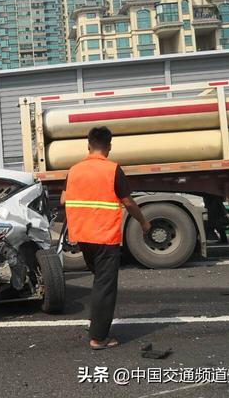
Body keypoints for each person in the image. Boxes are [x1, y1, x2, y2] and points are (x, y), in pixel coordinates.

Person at [61, 127, 151, 350]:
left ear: (88, 145)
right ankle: (99, 338)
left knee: (99, 281)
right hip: (104, 236)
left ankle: (96, 324)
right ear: (109, 147)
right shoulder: (112, 170)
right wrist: (144, 222)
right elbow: (128, 202)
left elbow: (64, 200)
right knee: (105, 285)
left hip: (82, 235)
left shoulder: (74, 170)